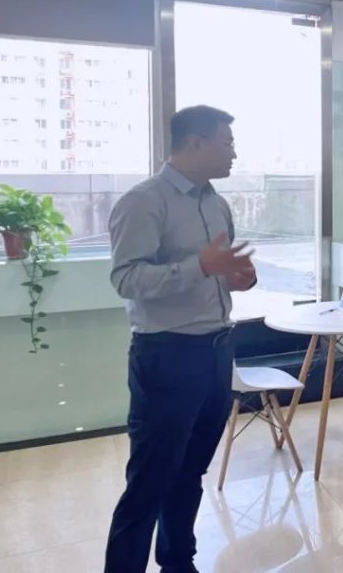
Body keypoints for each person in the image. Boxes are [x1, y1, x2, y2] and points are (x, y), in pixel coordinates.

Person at [104, 105, 257, 573]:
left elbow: (220, 271)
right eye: (227, 143)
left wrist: (237, 277)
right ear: (195, 143)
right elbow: (126, 279)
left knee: (190, 471)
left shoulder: (217, 203)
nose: (234, 153)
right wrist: (201, 267)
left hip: (216, 351)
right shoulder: (143, 201)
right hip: (167, 355)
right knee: (150, 480)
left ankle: (177, 562)